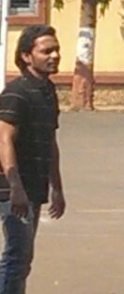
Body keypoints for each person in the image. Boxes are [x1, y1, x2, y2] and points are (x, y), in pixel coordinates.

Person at [0, 25, 65, 294]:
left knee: (23, 258)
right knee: (17, 256)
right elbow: (4, 139)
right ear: (27, 56)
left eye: (56, 50)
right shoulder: (17, 92)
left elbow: (50, 142)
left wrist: (57, 187)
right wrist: (15, 187)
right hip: (14, 190)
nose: (54, 56)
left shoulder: (47, 91)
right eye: (46, 51)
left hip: (34, 188)